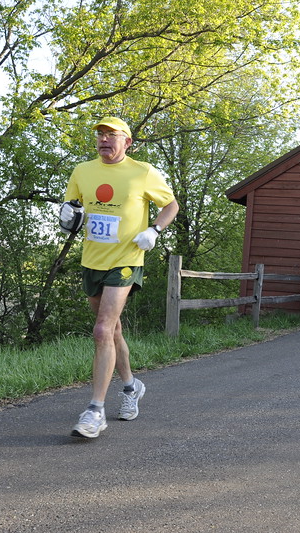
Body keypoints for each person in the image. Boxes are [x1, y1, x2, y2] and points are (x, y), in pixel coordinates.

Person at [60, 116, 179, 438]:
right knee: (111, 331)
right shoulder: (82, 172)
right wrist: (68, 216)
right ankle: (131, 387)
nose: (104, 139)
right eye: (100, 134)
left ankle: (94, 411)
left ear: (127, 142)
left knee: (101, 329)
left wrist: (154, 230)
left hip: (126, 260)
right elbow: (72, 209)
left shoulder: (143, 172)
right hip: (92, 260)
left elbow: (170, 205)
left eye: (112, 134)